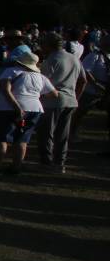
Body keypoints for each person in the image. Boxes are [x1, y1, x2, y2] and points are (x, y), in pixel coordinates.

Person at [0, 51, 59, 175]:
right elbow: (55, 94)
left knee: (1, 137)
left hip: (8, 108)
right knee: (22, 139)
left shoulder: (11, 71)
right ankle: (16, 167)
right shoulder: (40, 77)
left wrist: (17, 107)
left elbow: (6, 90)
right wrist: (36, 95)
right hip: (34, 108)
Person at [38, 33, 84, 173]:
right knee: (63, 135)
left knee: (47, 134)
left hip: (52, 101)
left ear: (49, 45)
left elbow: (43, 83)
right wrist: (76, 97)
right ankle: (60, 163)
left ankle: (46, 162)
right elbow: (84, 80)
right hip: (70, 100)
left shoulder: (50, 60)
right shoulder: (75, 59)